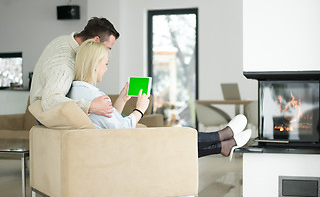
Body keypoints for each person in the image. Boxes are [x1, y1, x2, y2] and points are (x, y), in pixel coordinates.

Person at [68, 39, 252, 161]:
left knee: (175, 140)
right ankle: (223, 137)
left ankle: (222, 144)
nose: (107, 69)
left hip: (112, 145)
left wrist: (122, 100)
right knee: (175, 138)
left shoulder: (78, 91)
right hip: (122, 149)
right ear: (94, 64)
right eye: (105, 64)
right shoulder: (95, 96)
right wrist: (139, 109)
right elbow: (122, 129)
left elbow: (108, 123)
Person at [30, 17, 120, 118]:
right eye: (107, 49)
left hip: (45, 109)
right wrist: (91, 106)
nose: (106, 54)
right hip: (48, 113)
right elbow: (50, 100)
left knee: (117, 119)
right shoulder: (65, 62)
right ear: (96, 40)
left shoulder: (64, 40)